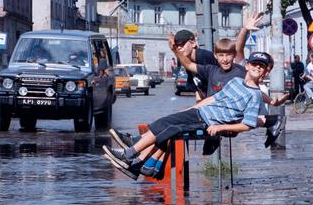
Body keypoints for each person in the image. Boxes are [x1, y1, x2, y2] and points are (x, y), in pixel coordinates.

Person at [104, 53, 271, 180]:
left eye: (261, 66)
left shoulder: (255, 95)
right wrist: (191, 109)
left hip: (208, 122)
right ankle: (140, 162)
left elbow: (247, 124)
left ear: (265, 71)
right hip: (200, 113)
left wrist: (221, 127)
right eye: (255, 64)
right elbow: (213, 99)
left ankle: (130, 153)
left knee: (170, 128)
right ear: (247, 65)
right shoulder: (235, 81)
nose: (257, 68)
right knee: (165, 122)